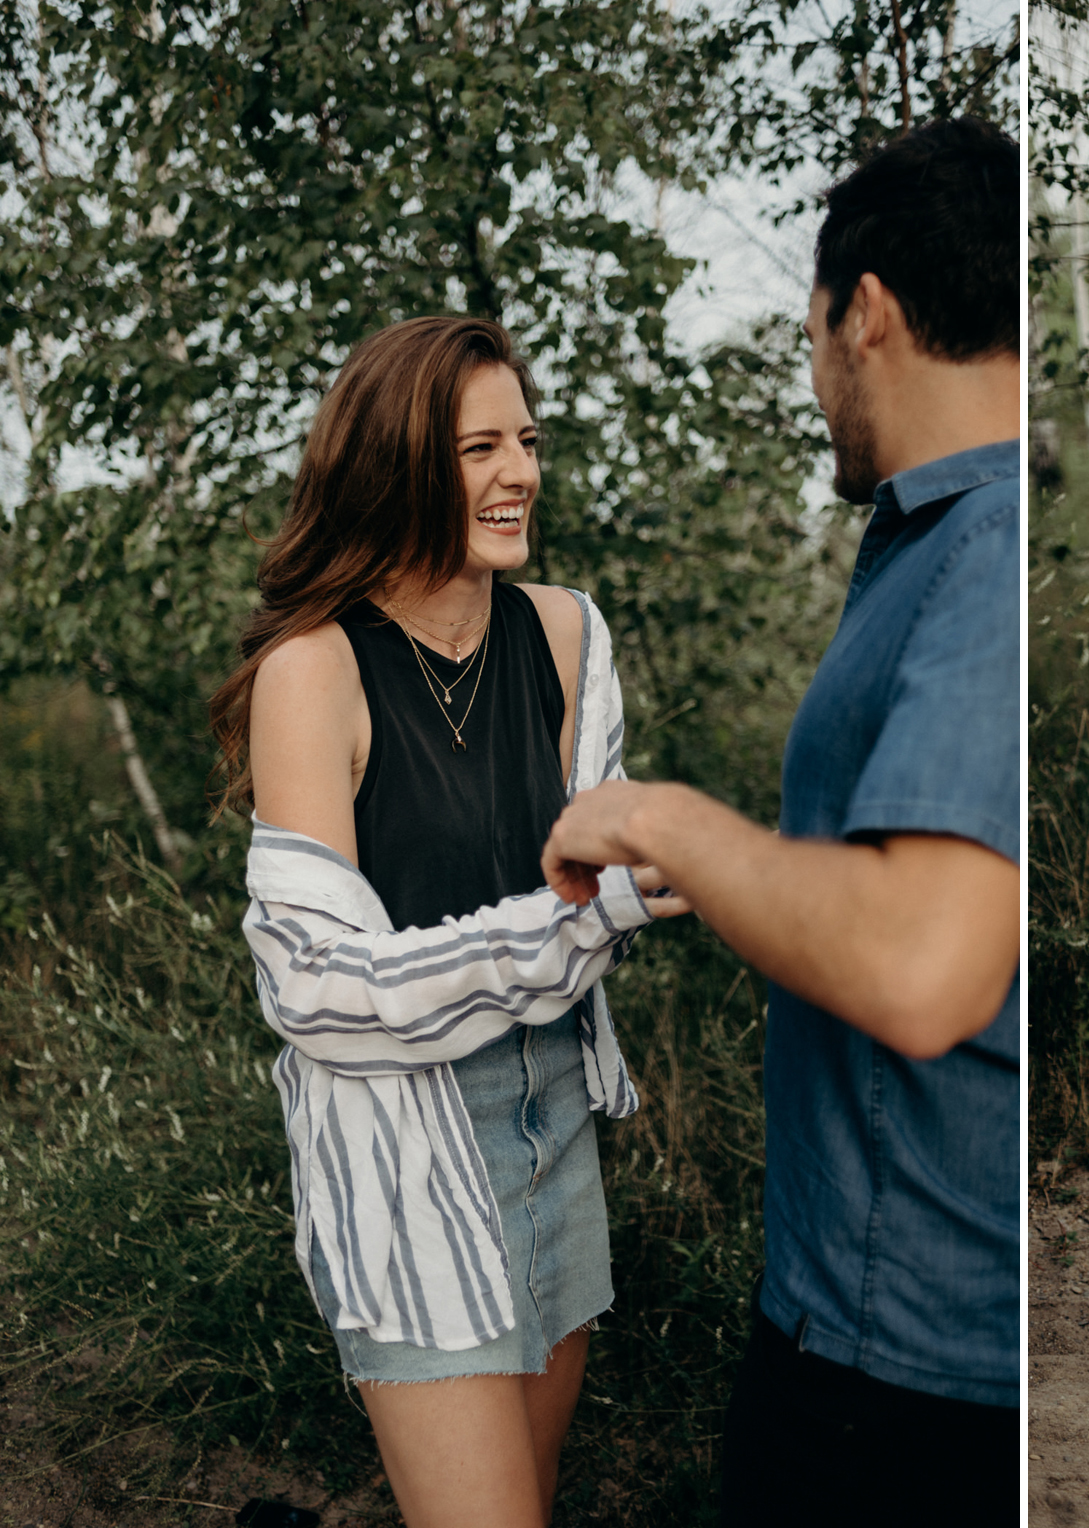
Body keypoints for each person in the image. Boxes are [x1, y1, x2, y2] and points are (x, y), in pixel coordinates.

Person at [539, 117, 1020, 1525]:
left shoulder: (975, 557)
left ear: (862, 315)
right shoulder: (934, 541)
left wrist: (658, 818)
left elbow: (921, 972)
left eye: (811, 341)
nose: (816, 388)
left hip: (918, 1376)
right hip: (850, 1312)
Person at [211, 315, 682, 1528]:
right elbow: (316, 989)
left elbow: (599, 890)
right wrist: (592, 918)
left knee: (521, 1495)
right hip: (409, 1158)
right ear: (397, 461)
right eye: (480, 447)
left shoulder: (568, 632)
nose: (521, 471)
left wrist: (612, 902)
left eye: (526, 440)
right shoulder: (312, 671)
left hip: (555, 1124)